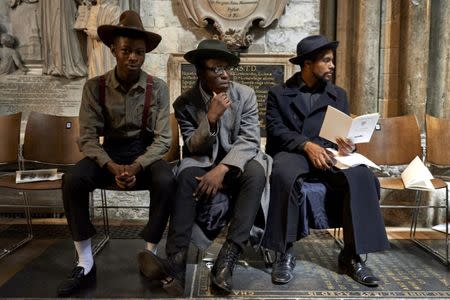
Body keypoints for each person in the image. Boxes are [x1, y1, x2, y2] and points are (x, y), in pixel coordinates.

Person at [137, 39, 271, 296]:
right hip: (201, 162)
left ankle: (227, 261)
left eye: (226, 68)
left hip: (237, 164)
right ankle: (176, 263)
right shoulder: (185, 103)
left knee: (256, 172)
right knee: (186, 175)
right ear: (200, 73)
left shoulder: (245, 95)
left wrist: (222, 169)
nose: (224, 74)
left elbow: (250, 140)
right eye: (216, 69)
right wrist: (211, 117)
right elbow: (192, 146)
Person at [57, 10, 175, 296]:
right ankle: (85, 261)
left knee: (167, 180)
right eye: (126, 51)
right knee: (72, 179)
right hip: (107, 153)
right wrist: (111, 166)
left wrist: (136, 167)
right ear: (113, 50)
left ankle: (150, 255)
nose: (133, 57)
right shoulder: (94, 87)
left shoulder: (156, 88)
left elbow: (163, 140)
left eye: (139, 52)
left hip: (143, 154)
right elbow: (86, 137)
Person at [262, 35, 389, 287]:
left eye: (332, 61)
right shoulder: (279, 93)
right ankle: (284, 252)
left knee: (362, 175)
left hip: (329, 153)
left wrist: (348, 144)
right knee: (284, 176)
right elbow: (276, 129)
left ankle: (351, 255)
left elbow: (340, 130)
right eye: (327, 61)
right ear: (308, 63)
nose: (332, 66)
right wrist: (306, 145)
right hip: (294, 152)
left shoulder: (338, 94)